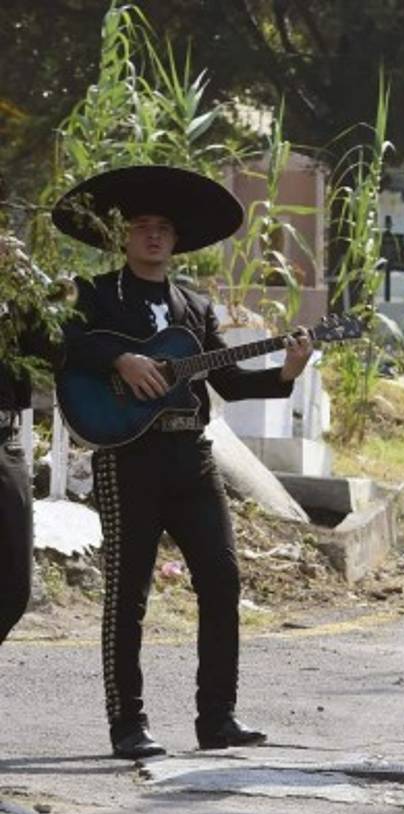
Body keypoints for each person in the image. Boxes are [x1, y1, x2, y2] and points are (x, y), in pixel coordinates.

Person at [52, 165, 314, 760]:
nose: (152, 236)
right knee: (129, 593)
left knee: (222, 579)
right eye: (142, 226)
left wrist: (287, 371)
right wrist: (119, 358)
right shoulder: (94, 295)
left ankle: (216, 718)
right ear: (123, 237)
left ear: (175, 241)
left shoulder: (194, 305)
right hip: (128, 457)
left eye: (163, 228)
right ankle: (128, 725)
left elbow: (228, 380)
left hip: (192, 457)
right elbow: (64, 343)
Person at [0, 298, 61, 645]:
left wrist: (30, 300)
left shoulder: (11, 295)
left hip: (5, 440)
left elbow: (53, 356)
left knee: (13, 587)